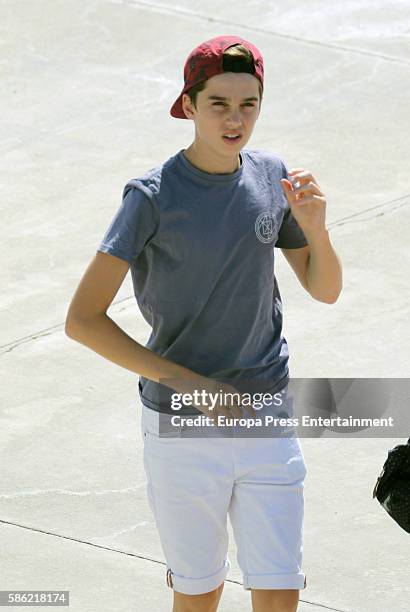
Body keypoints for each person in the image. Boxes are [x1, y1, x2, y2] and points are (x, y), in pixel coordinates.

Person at [65, 35, 342, 612]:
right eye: (219, 103)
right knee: (199, 592)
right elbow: (83, 320)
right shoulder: (151, 197)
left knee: (279, 586)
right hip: (181, 425)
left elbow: (325, 288)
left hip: (266, 408)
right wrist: (189, 383)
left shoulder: (271, 175)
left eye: (249, 104)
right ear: (189, 105)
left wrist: (315, 226)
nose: (236, 118)